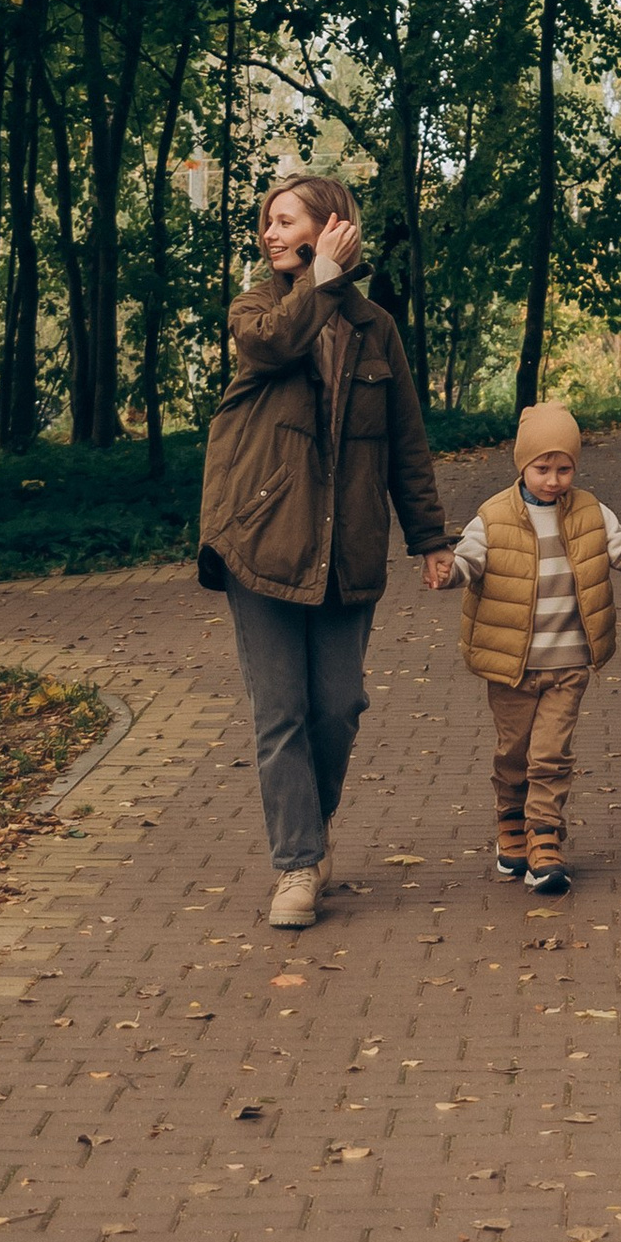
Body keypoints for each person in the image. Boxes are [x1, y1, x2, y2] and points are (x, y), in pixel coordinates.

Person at [195, 173, 453, 928]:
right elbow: (275, 342)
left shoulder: (377, 329)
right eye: (265, 224)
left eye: (284, 220)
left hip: (348, 550)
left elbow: (407, 442)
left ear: (332, 223)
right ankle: (297, 864)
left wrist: (430, 537)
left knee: (336, 708)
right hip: (260, 543)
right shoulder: (255, 309)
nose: (268, 234)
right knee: (280, 713)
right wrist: (323, 278)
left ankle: (311, 824)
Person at [433, 401, 621, 894]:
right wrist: (449, 572)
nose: (553, 479)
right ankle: (510, 819)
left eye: (564, 468)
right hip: (512, 664)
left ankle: (545, 837)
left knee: (550, 755)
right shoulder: (492, 516)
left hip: (570, 660)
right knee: (514, 752)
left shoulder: (592, 512)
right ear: (522, 465)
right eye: (542, 468)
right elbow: (469, 560)